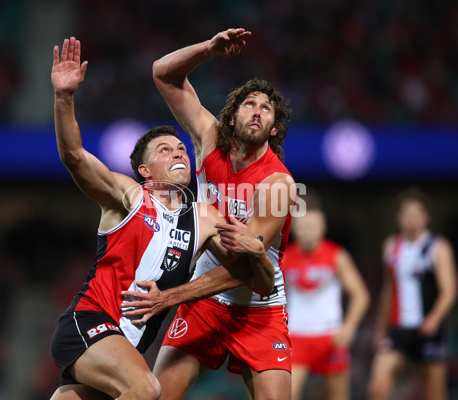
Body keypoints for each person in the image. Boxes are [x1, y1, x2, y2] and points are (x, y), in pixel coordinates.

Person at [49, 36, 276, 400]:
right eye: (165, 150)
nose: (179, 153)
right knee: (146, 389)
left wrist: (258, 252)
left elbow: (252, 277)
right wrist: (64, 97)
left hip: (126, 345)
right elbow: (74, 156)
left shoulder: (204, 218)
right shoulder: (130, 196)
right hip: (90, 322)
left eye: (182, 148)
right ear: (144, 169)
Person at [122, 28, 297, 400]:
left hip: (259, 308)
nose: (258, 111)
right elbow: (163, 73)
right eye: (250, 103)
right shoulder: (208, 140)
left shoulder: (278, 184)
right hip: (205, 303)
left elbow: (249, 272)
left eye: (267, 108)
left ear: (274, 129)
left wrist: (170, 297)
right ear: (231, 117)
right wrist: (207, 50)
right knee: (154, 395)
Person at [367, 187, 458, 400]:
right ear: (399, 218)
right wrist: (380, 329)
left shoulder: (438, 247)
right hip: (398, 330)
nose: (412, 219)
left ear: (426, 217)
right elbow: (389, 290)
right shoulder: (391, 246)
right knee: (377, 388)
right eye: (407, 214)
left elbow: (449, 291)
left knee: (435, 394)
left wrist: (434, 320)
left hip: (428, 330)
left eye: (416, 214)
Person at [284, 193, 370, 400]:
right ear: (295, 230)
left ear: (323, 228)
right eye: (303, 227)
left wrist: (349, 327)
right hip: (297, 337)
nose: (308, 232)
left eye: (312, 227)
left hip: (331, 338)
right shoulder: (285, 257)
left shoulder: (336, 255)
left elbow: (361, 295)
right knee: (287, 396)